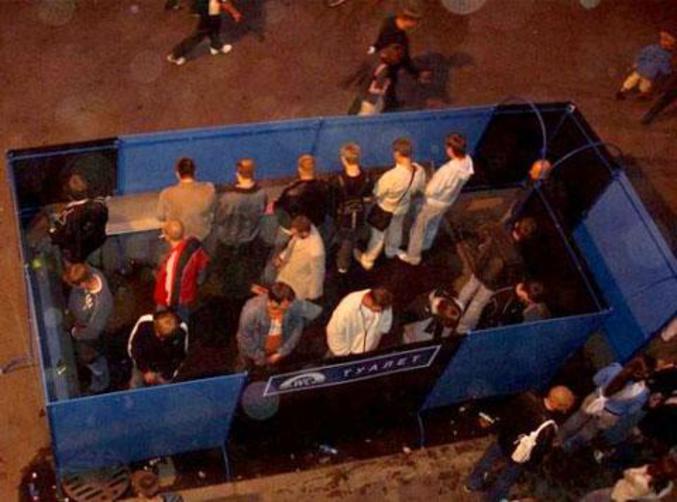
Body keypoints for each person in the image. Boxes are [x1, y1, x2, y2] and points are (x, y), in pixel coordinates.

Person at [464, 386, 576, 502]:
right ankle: (492, 499)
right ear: (558, 405)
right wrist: (531, 465)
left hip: (504, 440)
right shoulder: (548, 428)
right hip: (517, 455)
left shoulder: (526, 398)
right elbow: (538, 453)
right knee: (506, 479)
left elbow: (507, 416)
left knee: (487, 460)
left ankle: (472, 483)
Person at [398, 132, 474, 265]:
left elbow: (430, 191)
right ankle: (426, 244)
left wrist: (424, 183)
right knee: (433, 223)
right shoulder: (468, 161)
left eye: (447, 148)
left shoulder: (447, 170)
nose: (446, 150)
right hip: (447, 201)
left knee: (418, 227)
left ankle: (413, 257)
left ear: (451, 150)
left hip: (433, 203)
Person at [455, 216, 538, 334]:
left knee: (468, 289)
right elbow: (509, 278)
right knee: (477, 305)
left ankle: (453, 313)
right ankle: (462, 330)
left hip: (479, 270)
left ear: (517, 224)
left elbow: (482, 239)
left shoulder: (498, 230)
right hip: (492, 283)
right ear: (527, 237)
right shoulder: (516, 257)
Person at [354, 137, 426, 271]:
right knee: (396, 230)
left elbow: (377, 193)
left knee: (378, 236)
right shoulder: (419, 170)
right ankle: (391, 250)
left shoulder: (391, 176)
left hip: (385, 210)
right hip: (403, 208)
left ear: (397, 153)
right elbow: (420, 188)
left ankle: (368, 260)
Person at [557, 355, 654, 453]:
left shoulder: (614, 369)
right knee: (588, 432)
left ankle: (557, 439)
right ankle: (564, 450)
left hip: (595, 399)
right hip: (610, 415)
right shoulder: (642, 393)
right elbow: (631, 411)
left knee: (577, 419)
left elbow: (596, 379)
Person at [368, 0, 429, 111]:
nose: (415, 25)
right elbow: (405, 59)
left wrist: (375, 48)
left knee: (389, 85)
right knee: (385, 87)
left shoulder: (389, 23)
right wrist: (417, 73)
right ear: (408, 20)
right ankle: (386, 108)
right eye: (415, 22)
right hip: (387, 66)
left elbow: (381, 40)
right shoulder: (400, 38)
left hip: (384, 64)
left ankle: (390, 104)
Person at [64, 263, 113, 393]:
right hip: (76, 322)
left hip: (90, 338)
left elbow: (93, 332)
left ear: (83, 284)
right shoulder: (87, 271)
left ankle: (100, 385)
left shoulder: (102, 303)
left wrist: (75, 333)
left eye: (75, 286)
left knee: (92, 360)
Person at [236, 282, 305, 369]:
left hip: (277, 352)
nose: (290, 306)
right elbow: (245, 338)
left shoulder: (292, 303)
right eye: (286, 305)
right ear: (273, 302)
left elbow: (297, 327)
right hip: (251, 355)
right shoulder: (251, 311)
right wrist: (261, 357)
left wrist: (282, 352)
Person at [329, 143, 374, 273]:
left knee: (346, 239)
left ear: (343, 159)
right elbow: (368, 196)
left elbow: (332, 201)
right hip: (359, 214)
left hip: (343, 217)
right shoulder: (367, 177)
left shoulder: (337, 180)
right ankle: (355, 248)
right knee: (355, 233)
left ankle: (342, 265)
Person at [154, 220, 210, 322]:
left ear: (166, 237)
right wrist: (199, 281)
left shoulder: (174, 263)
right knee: (184, 311)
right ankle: (184, 328)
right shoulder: (194, 243)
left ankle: (178, 331)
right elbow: (203, 262)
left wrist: (169, 306)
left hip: (173, 299)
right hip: (187, 291)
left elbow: (172, 290)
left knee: (165, 320)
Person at [273, 216, 326, 321]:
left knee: (293, 304)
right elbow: (292, 245)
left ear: (304, 233)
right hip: (289, 272)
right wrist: (282, 257)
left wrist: (313, 293)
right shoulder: (303, 232)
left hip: (300, 281)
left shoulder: (316, 251)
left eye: (295, 233)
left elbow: (318, 274)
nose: (293, 235)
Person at [49, 173, 108, 264]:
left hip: (74, 256)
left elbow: (58, 236)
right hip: (95, 247)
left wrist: (52, 228)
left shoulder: (69, 216)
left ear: (68, 194)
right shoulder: (100, 206)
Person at [212, 158, 268, 249]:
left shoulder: (228, 198)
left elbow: (219, 218)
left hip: (229, 241)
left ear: (238, 174)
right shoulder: (262, 194)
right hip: (251, 238)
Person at [157, 157, 216, 242]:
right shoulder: (209, 190)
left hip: (178, 240)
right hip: (203, 239)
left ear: (177, 174)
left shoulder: (166, 194)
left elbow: (160, 216)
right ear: (195, 172)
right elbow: (214, 210)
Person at [166, 0, 243, 66]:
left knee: (214, 26)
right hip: (209, 8)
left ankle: (216, 45)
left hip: (209, 7)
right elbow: (224, 2)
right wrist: (234, 13)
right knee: (200, 34)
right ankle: (176, 54)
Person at [326, 287, 394, 356]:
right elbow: (333, 332)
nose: (380, 311)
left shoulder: (383, 301)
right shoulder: (347, 308)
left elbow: (385, 323)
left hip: (369, 352)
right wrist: (346, 355)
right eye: (378, 309)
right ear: (369, 299)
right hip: (344, 354)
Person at [128, 311, 188, 388]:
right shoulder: (144, 322)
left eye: (165, 337)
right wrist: (145, 370)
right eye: (159, 335)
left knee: (162, 391)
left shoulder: (182, 330)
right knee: (135, 385)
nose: (161, 340)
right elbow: (133, 347)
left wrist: (166, 375)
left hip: (164, 368)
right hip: (142, 363)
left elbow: (179, 357)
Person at [581, 455, 676, 502]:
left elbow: (627, 472)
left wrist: (645, 469)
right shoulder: (663, 486)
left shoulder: (642, 481)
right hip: (619, 495)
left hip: (615, 495)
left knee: (589, 498)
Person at [274, 154, 330, 232]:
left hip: (300, 230)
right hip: (320, 226)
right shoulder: (325, 186)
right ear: (314, 168)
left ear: (299, 169)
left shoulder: (291, 192)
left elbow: (280, 209)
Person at [616, 29, 674, 100]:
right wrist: (667, 72)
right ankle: (641, 94)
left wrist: (637, 62)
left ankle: (623, 90)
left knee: (632, 80)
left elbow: (642, 54)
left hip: (641, 69)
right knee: (645, 84)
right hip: (650, 73)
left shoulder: (652, 47)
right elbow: (664, 66)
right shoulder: (665, 56)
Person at [478, 279, 550, 330]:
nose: (531, 303)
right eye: (530, 300)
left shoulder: (521, 298)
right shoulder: (500, 299)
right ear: (524, 293)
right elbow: (485, 320)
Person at [356, 44, 405, 116]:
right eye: (398, 56)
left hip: (374, 99)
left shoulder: (383, 67)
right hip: (373, 100)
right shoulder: (384, 69)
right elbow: (378, 85)